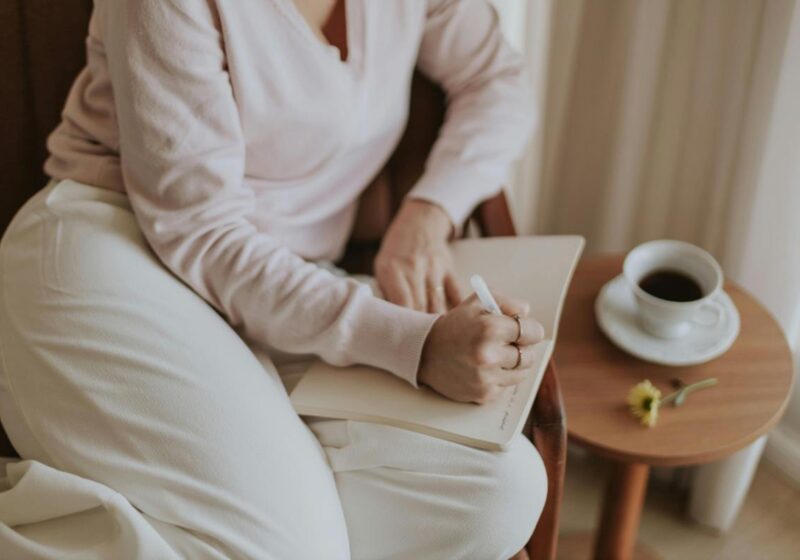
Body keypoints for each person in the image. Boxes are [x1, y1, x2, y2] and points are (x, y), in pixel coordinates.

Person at [0, 1, 546, 558]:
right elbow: (202, 232)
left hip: (287, 288)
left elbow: (497, 80)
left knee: (499, 494)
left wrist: (428, 215)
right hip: (118, 251)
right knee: (293, 550)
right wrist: (416, 346)